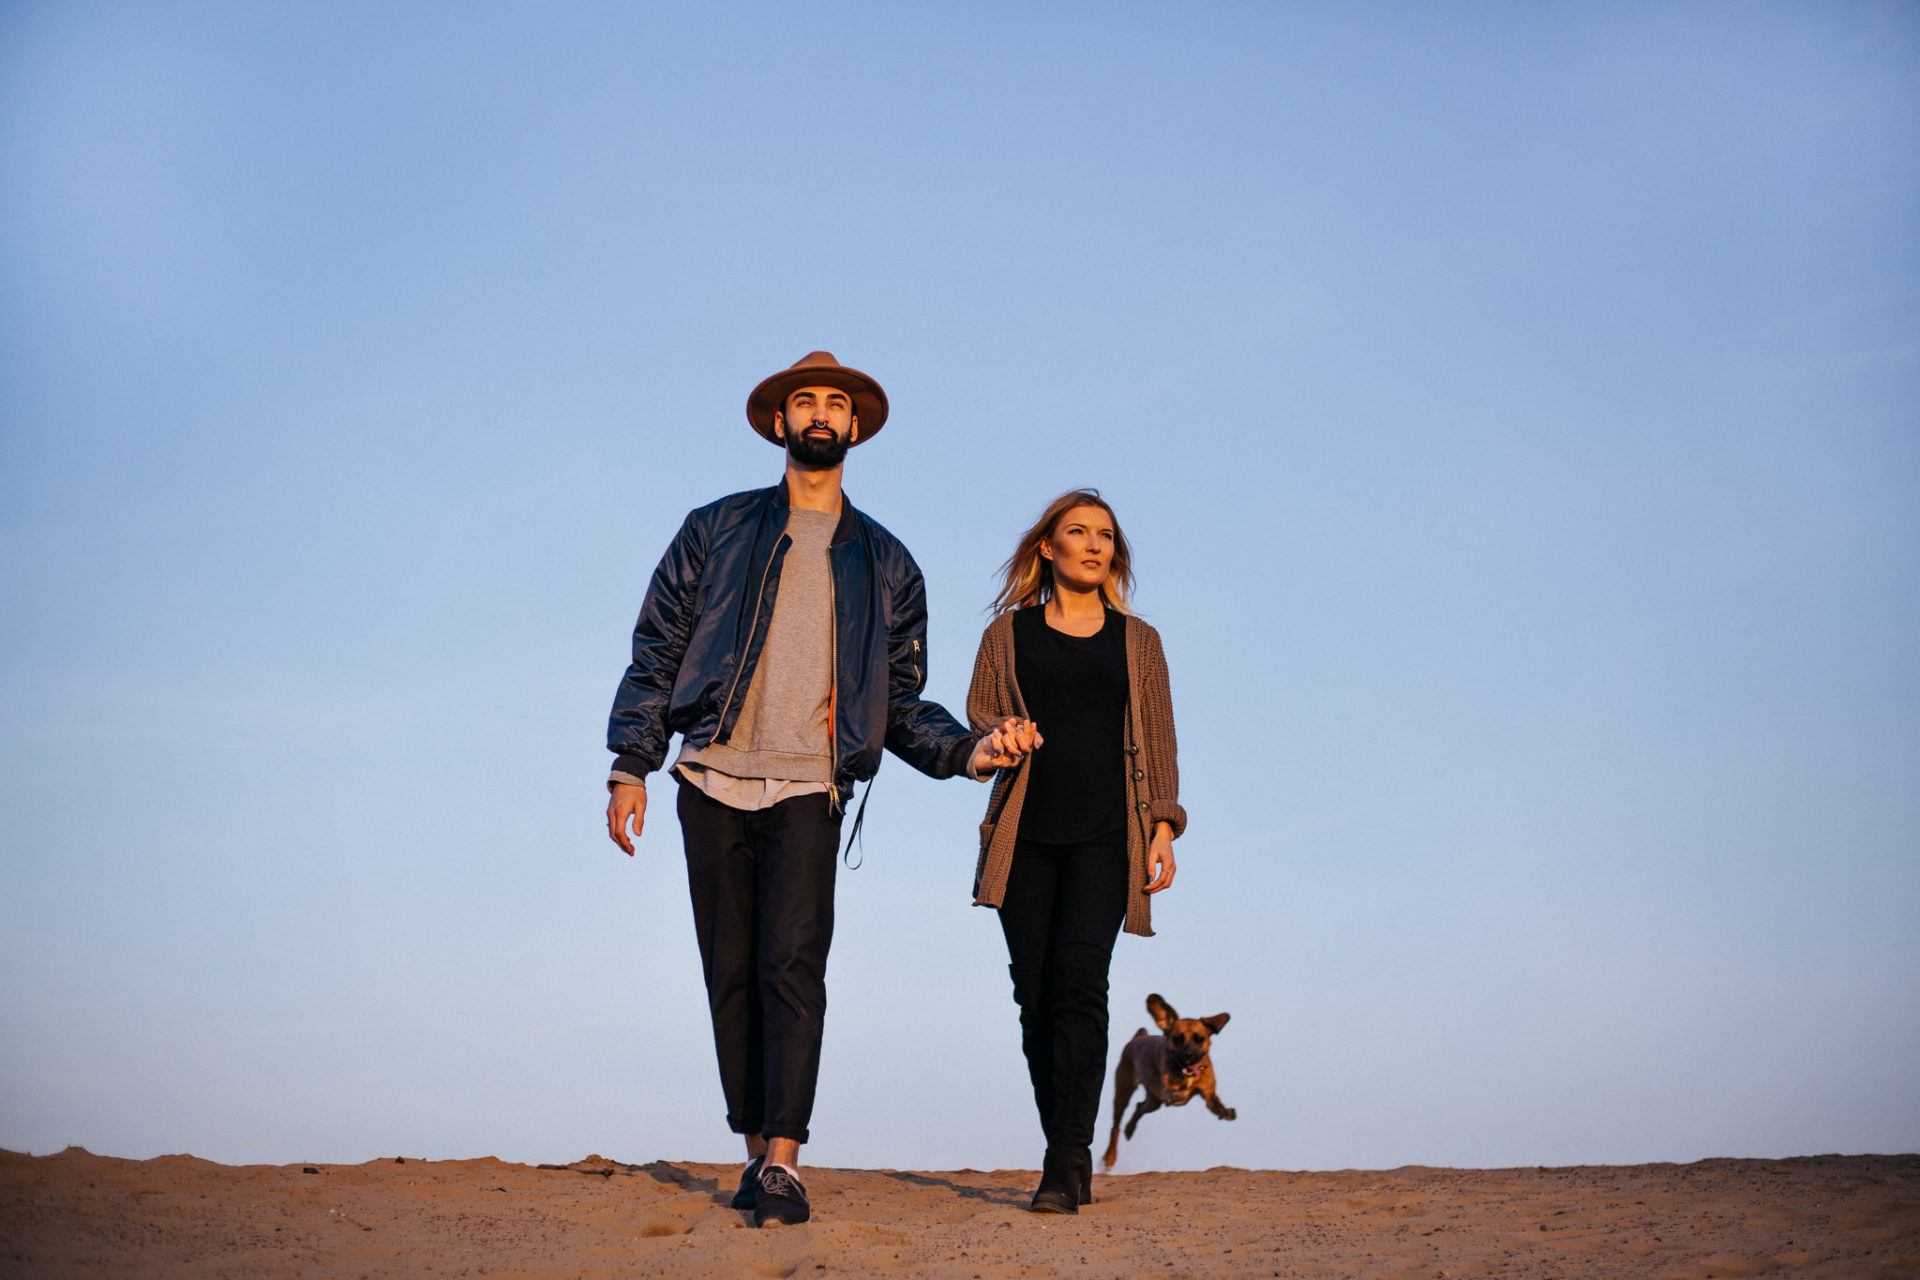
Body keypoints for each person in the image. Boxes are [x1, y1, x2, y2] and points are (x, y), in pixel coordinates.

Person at [604, 351, 1034, 1227]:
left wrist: (966, 753)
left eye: (836, 404)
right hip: (709, 772)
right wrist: (630, 764)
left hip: (810, 784)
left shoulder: (888, 563)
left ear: (856, 428)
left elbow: (902, 701)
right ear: (780, 424)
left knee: (793, 964)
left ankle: (786, 1161)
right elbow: (656, 647)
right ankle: (754, 1148)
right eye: (806, 402)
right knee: (730, 970)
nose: (821, 414)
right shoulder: (714, 529)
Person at [966, 489, 1185, 1214]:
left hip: (1105, 836)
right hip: (1023, 838)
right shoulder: (1007, 635)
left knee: (1082, 986)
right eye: (1078, 533)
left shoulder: (1138, 640)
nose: (1095, 545)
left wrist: (1161, 824)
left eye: (1106, 537)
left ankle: (1067, 1158)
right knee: (1036, 998)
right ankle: (1064, 1144)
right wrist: (1005, 730)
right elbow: (980, 709)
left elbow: (1158, 735)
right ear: (1047, 548)